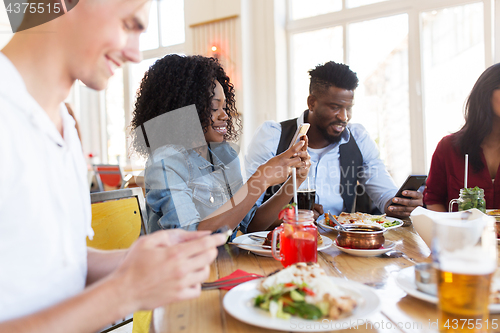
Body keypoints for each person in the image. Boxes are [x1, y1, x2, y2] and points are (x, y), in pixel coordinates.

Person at [0, 1, 226, 332]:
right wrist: (125, 292)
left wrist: (140, 261)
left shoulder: (61, 123)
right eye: (128, 24)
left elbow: (56, 263)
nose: (135, 53)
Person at [130, 54, 311, 235]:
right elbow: (190, 238)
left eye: (225, 107)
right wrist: (260, 179)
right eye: (214, 108)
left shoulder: (224, 155)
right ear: (184, 111)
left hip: (225, 262)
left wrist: (294, 180)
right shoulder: (165, 162)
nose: (224, 116)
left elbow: (251, 224)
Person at [245, 61, 423, 219]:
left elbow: (385, 194)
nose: (344, 117)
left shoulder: (358, 138)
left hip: (339, 247)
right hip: (279, 244)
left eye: (348, 108)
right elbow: (247, 210)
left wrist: (400, 205)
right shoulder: (273, 136)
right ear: (312, 103)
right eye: (335, 107)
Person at [424, 64, 500, 211]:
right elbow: (434, 199)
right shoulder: (448, 148)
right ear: (486, 93)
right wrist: (449, 231)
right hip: (461, 234)